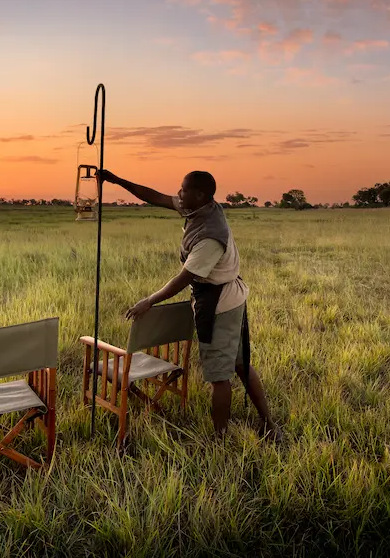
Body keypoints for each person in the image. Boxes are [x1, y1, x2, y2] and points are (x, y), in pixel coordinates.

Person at [98, 168, 278, 440]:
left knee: (220, 376)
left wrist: (149, 301)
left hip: (220, 304)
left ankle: (220, 438)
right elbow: (155, 196)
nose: (178, 193)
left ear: (200, 195)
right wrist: (117, 180)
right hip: (227, 297)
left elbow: (184, 278)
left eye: (183, 189)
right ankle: (267, 423)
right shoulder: (200, 209)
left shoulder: (210, 236)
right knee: (241, 364)